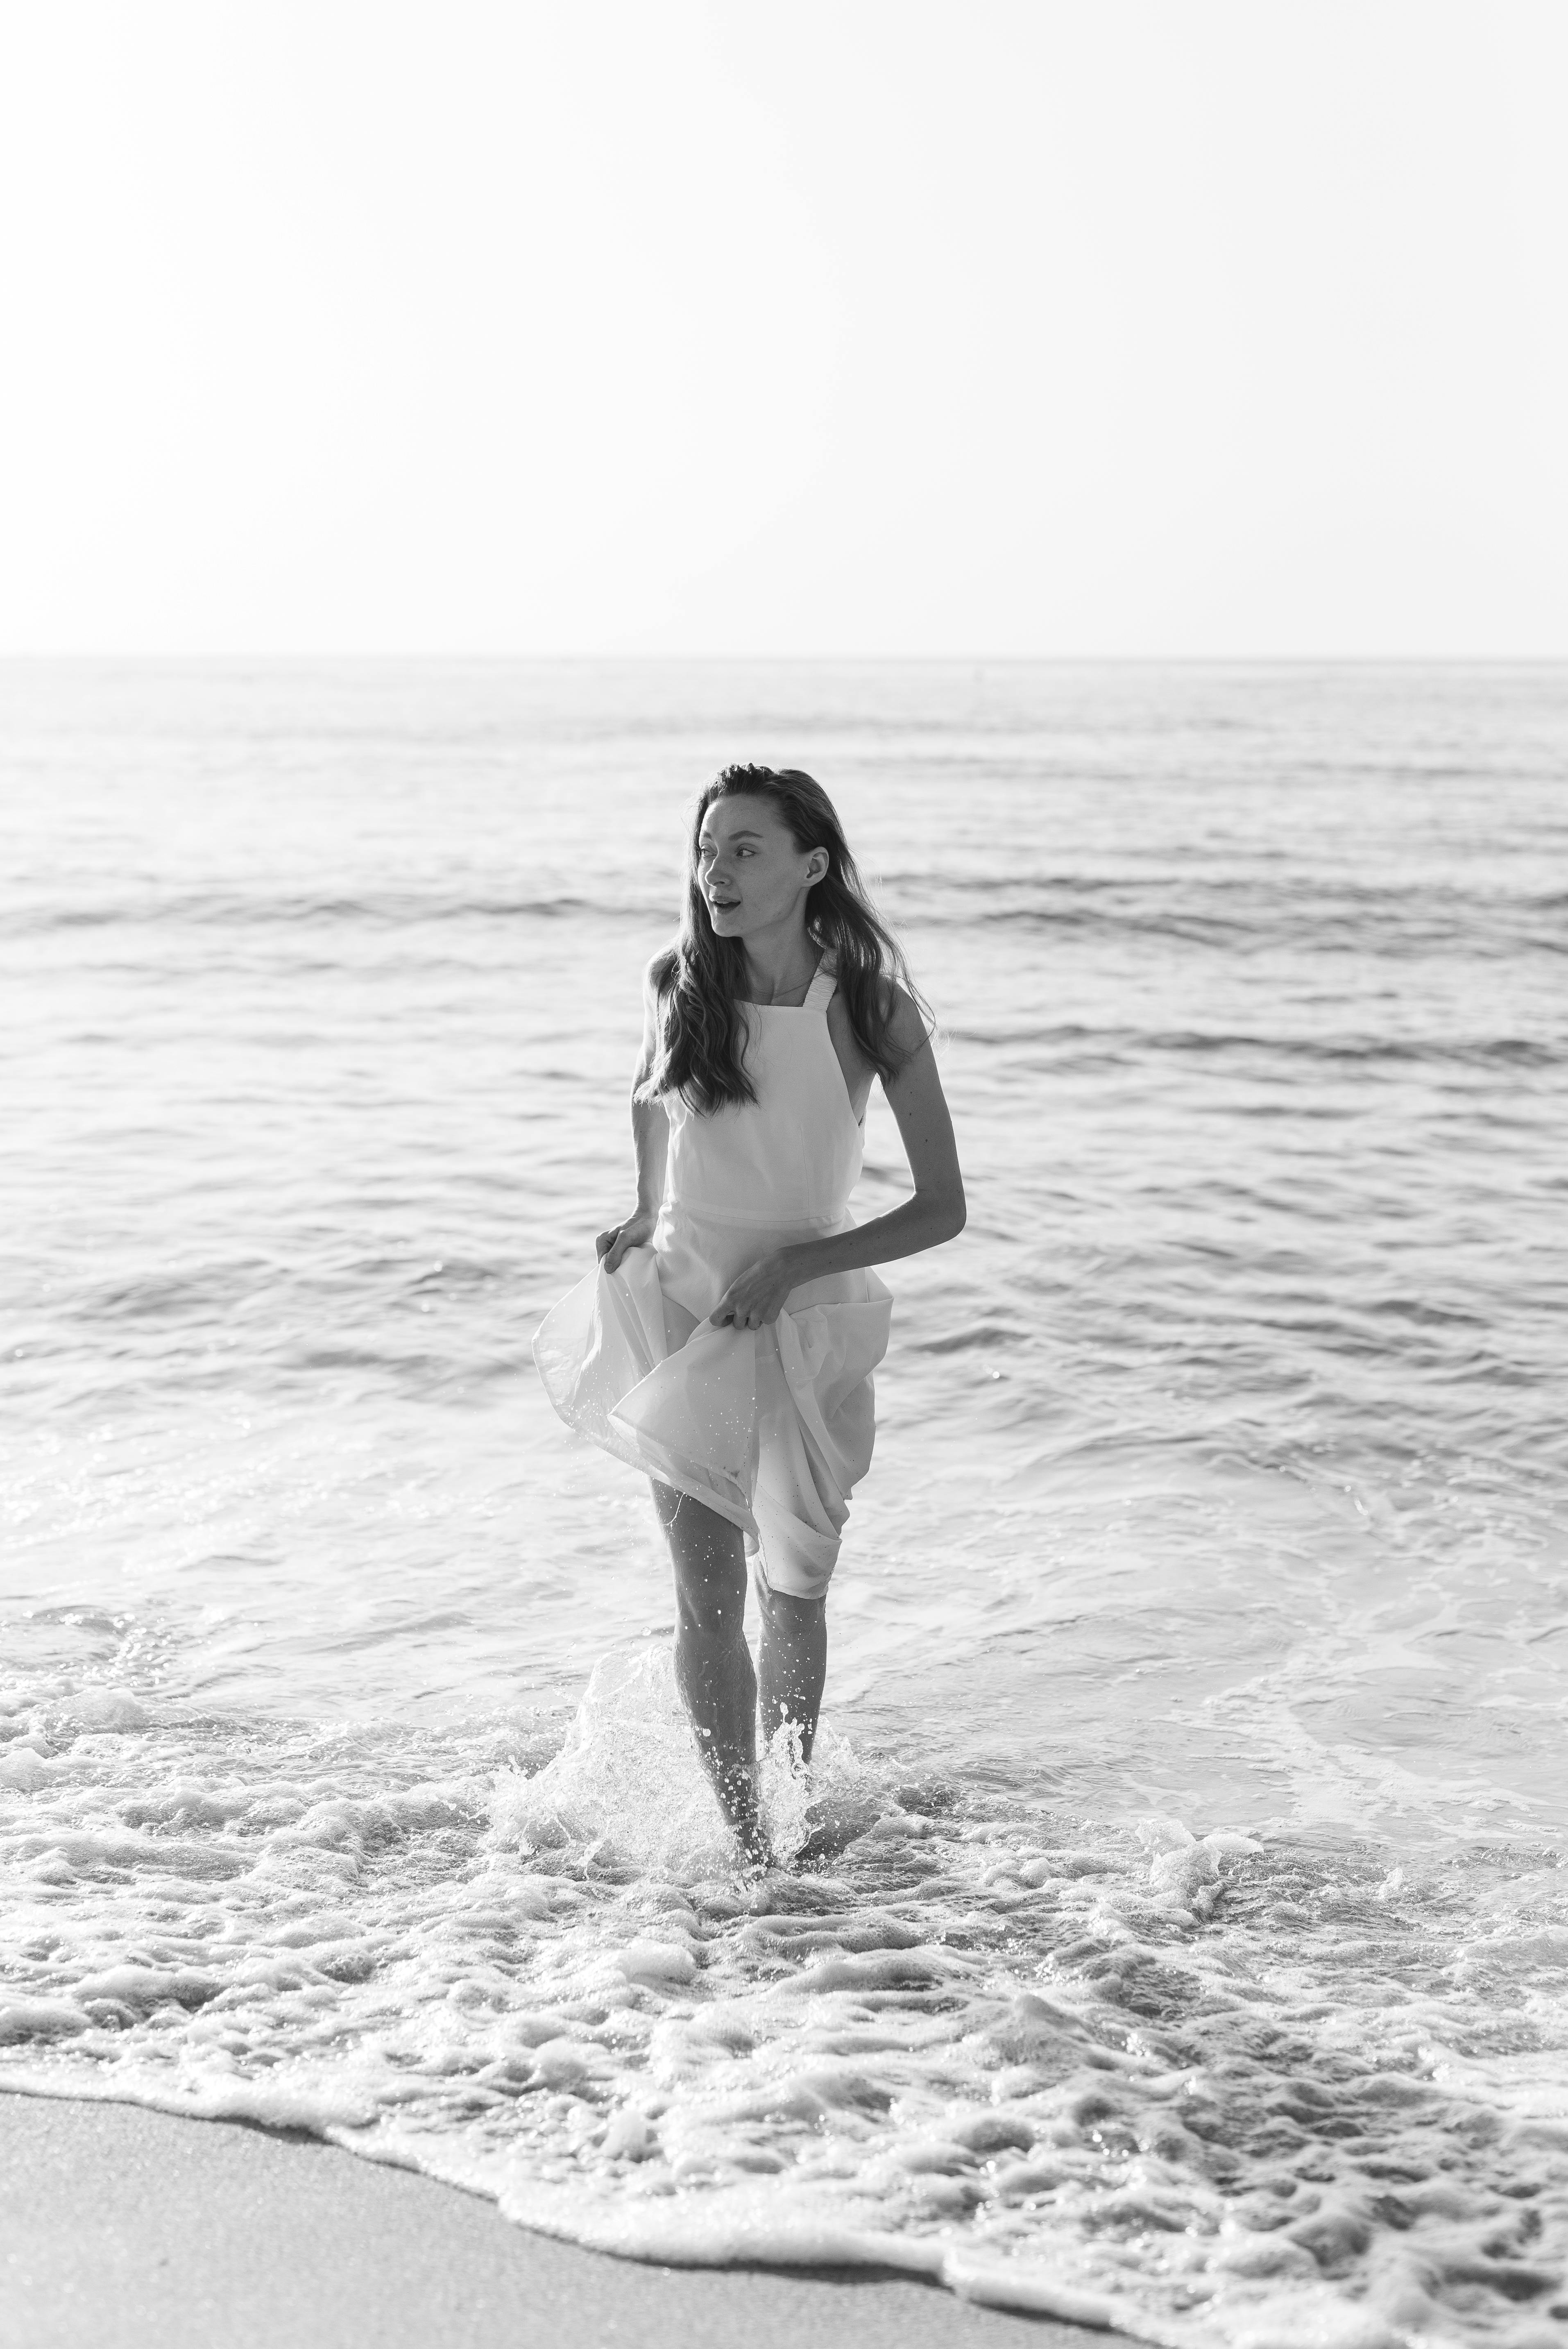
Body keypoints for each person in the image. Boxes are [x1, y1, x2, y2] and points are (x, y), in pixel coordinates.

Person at [533, 764, 965, 1861]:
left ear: (810, 867)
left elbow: (940, 1208)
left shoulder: (869, 1007)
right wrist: (642, 1207)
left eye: (744, 849)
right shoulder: (676, 977)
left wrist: (799, 1264)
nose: (714, 871)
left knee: (797, 1584)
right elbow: (646, 1091)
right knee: (705, 1593)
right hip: (682, 1303)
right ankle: (749, 1844)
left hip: (807, 1315)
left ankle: (793, 1798)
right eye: (707, 848)